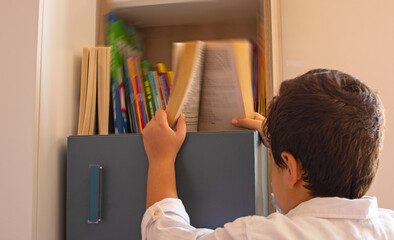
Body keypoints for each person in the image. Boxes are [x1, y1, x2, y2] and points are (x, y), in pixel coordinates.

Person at [141, 69, 394, 239]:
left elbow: (166, 235)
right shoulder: (387, 226)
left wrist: (161, 160)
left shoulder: (261, 234)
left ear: (291, 168)